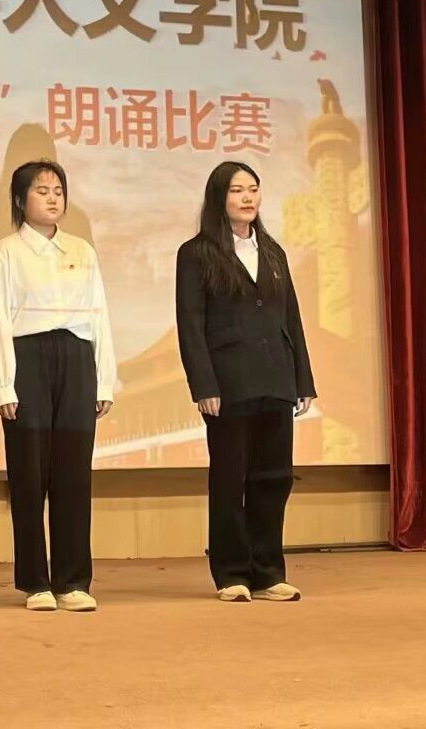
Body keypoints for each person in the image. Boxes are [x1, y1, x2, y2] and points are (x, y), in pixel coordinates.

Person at [175, 161, 316, 603]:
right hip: (229, 384)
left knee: (273, 478)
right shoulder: (197, 253)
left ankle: (268, 572)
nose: (247, 197)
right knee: (230, 479)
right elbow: (190, 324)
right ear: (219, 197)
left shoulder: (273, 252)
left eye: (253, 188)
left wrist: (303, 380)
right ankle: (232, 573)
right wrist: (204, 386)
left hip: (276, 379)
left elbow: (291, 318)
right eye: (237, 190)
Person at [0, 159, 116, 612]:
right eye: (42, 191)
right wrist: (2, 385)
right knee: (29, 472)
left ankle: (73, 580)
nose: (53, 198)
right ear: (20, 200)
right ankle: (36, 581)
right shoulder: (6, 252)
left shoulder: (81, 249)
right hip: (27, 359)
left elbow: (99, 315)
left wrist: (104, 379)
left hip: (77, 358)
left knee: (74, 474)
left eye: (58, 190)